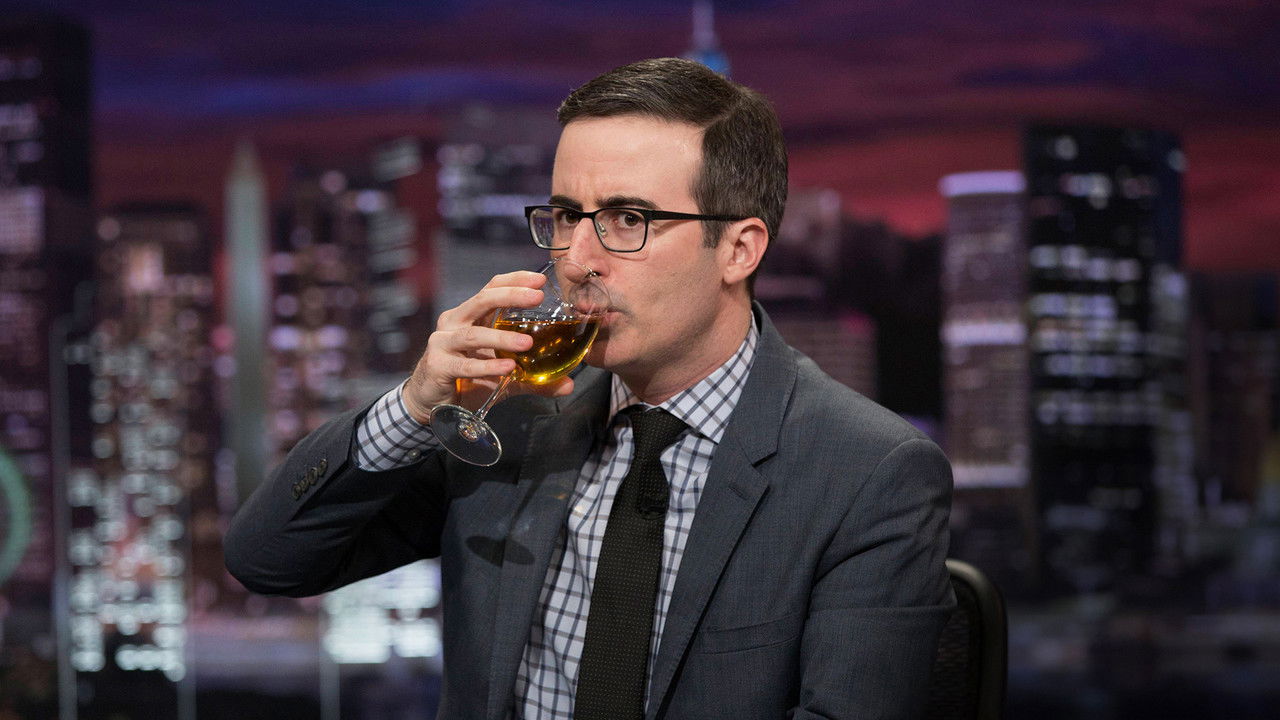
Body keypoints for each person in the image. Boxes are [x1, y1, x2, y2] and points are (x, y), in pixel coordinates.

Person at [225, 57, 953, 720]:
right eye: (568, 216)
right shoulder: (511, 426)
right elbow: (268, 559)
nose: (575, 260)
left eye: (627, 220)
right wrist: (415, 406)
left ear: (739, 249)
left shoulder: (869, 473)